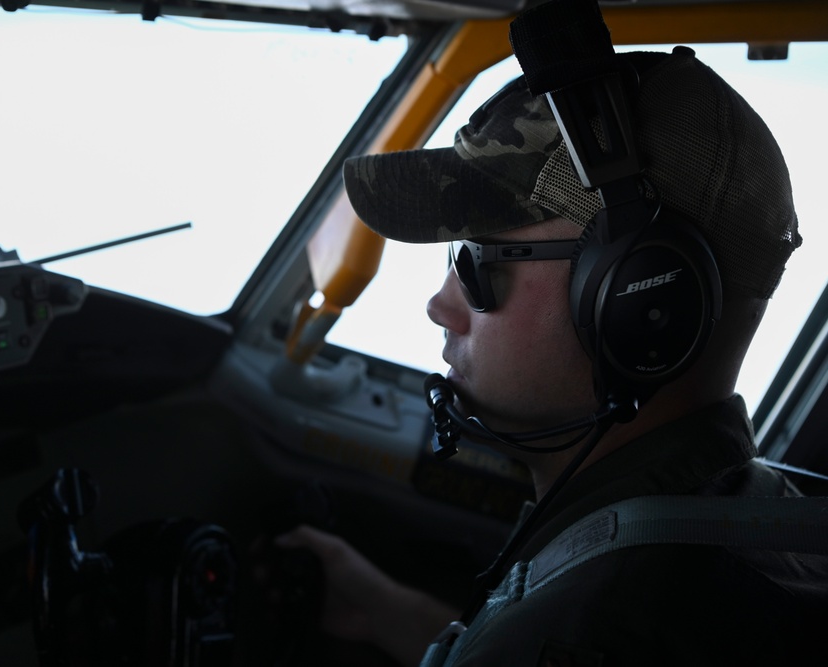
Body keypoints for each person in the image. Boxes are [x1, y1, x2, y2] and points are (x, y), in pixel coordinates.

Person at [274, 15, 828, 667]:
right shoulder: (748, 517)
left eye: (482, 262)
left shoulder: (600, 625)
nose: (441, 305)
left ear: (640, 295)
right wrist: (381, 608)